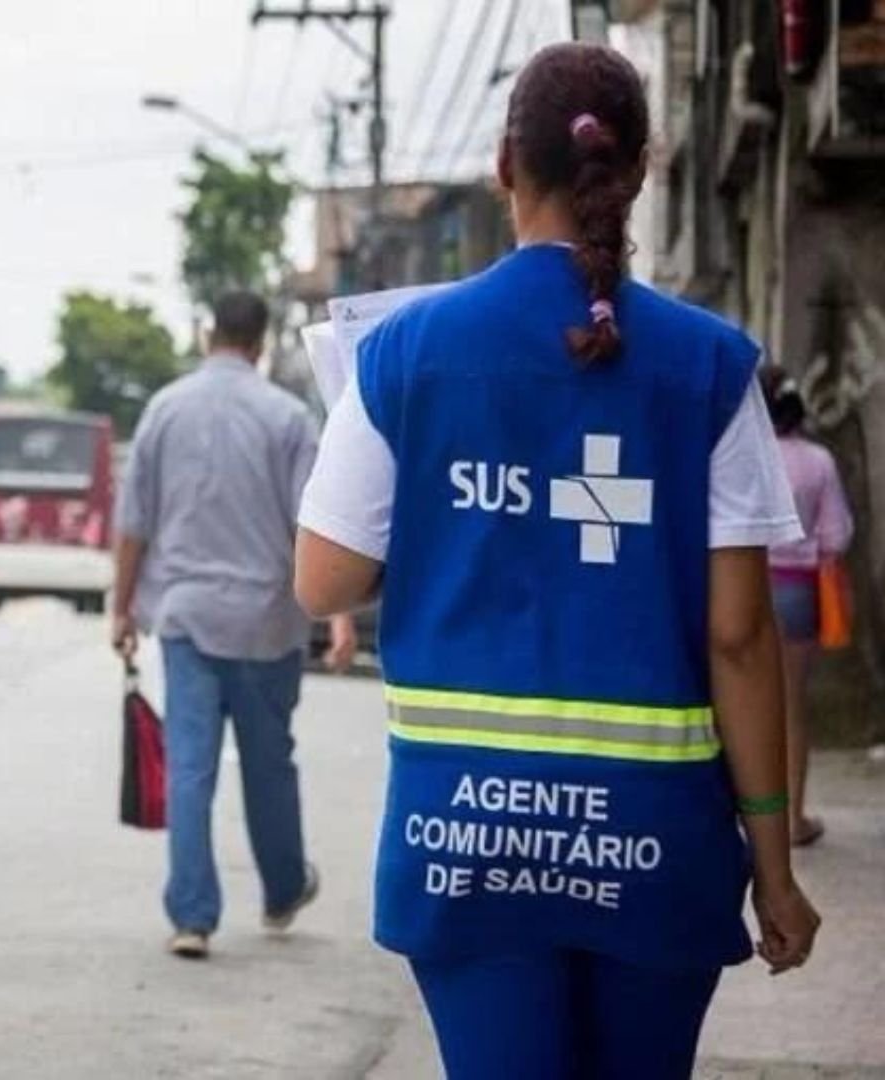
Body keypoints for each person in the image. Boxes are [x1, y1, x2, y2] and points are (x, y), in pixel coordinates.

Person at [294, 44, 821, 1080]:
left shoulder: (402, 354)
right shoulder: (711, 366)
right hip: (656, 839)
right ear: (640, 171)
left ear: (503, 166)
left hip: (462, 838)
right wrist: (772, 867)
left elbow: (324, 583)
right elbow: (740, 638)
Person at [112, 290, 357, 960]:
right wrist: (337, 617)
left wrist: (120, 608)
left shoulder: (164, 410)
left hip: (185, 618)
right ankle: (282, 889)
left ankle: (192, 916)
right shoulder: (287, 418)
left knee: (190, 767)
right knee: (268, 762)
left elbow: (133, 524)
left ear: (208, 335)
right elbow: (320, 525)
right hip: (266, 623)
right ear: (261, 342)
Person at [761, 367, 854, 848]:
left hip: (747, 586)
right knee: (792, 708)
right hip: (798, 591)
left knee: (744, 702)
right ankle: (794, 819)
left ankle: (746, 818)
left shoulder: (748, 457)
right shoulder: (819, 461)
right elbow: (836, 535)